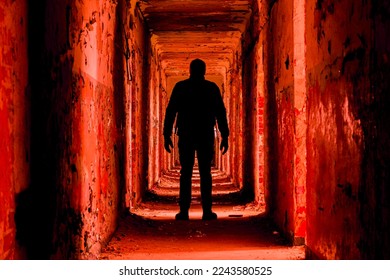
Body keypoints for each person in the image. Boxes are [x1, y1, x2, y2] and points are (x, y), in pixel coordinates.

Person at [163, 59, 229, 221]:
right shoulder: (211, 88)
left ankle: (184, 211)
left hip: (186, 133)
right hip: (205, 133)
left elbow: (171, 111)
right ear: (204, 71)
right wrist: (224, 136)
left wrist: (167, 134)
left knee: (186, 172)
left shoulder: (181, 87)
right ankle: (207, 211)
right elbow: (220, 113)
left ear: (190, 70)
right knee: (205, 172)